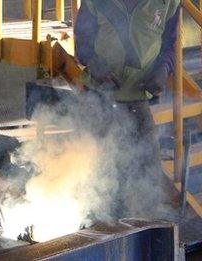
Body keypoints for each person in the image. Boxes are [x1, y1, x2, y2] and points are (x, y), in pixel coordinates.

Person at [74, 0, 180, 216]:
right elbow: (82, 44)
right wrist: (94, 64)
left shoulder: (168, 2)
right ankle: (101, 228)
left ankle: (144, 228)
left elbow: (169, 45)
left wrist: (163, 70)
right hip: (100, 97)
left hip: (137, 97)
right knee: (100, 175)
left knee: (147, 172)